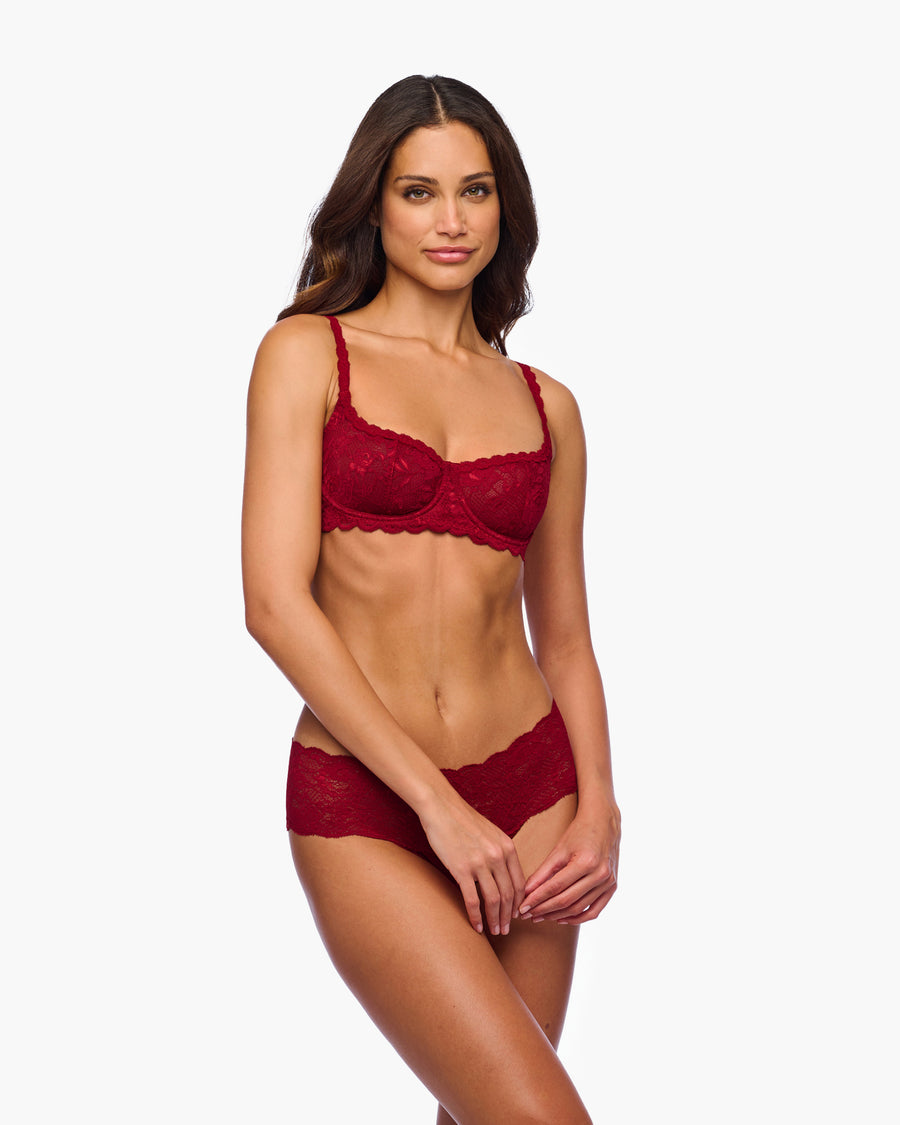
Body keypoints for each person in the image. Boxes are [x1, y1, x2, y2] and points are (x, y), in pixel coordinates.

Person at [242, 74, 620, 1125]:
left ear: (507, 208)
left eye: (475, 190)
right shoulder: (307, 355)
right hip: (370, 799)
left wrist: (600, 808)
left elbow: (568, 639)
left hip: (536, 799)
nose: (451, 220)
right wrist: (437, 807)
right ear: (374, 205)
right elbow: (273, 603)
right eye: (419, 192)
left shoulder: (547, 405)